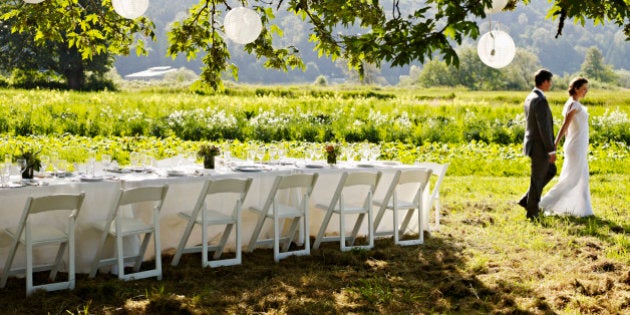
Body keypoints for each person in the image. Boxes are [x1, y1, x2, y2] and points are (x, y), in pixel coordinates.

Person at [539, 77, 594, 217]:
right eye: (583, 89)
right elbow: (565, 126)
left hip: (578, 146)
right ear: (575, 88)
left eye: (586, 89)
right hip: (575, 147)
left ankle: (584, 210)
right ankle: (541, 204)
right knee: (571, 179)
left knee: (582, 177)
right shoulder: (573, 105)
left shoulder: (573, 104)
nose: (585, 91)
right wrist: (555, 144)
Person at [518, 69, 557, 220]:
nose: (551, 85)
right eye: (550, 82)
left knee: (550, 171)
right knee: (537, 178)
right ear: (545, 81)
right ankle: (532, 212)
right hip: (540, 146)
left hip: (533, 144)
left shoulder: (530, 97)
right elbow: (544, 127)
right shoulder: (540, 100)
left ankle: (526, 200)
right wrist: (551, 150)